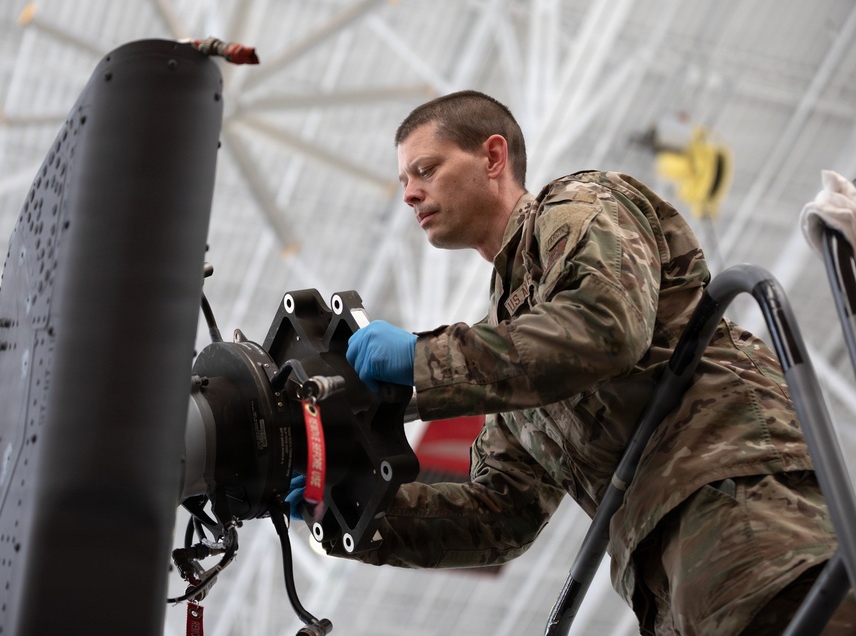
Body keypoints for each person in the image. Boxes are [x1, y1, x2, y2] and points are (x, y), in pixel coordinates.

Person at [334, 90, 851, 635]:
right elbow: (503, 514)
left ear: (492, 157)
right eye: (404, 182)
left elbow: (606, 328)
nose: (411, 194)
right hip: (670, 580)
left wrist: (422, 359)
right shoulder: (506, 346)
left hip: (742, 509)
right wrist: (356, 509)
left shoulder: (578, 205)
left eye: (425, 168)